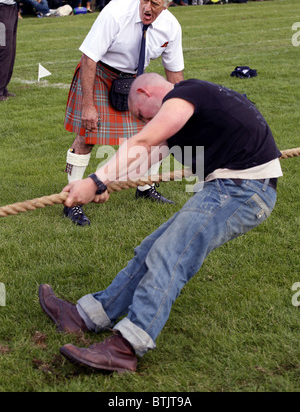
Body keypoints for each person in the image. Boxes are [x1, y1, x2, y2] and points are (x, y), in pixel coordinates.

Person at [39, 72, 282, 373]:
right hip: (230, 188)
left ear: (145, 91)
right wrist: (99, 185)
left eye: (140, 114)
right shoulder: (184, 118)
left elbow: (142, 140)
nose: (143, 122)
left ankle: (127, 347)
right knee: (150, 250)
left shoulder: (185, 93)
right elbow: (143, 158)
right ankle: (88, 316)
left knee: (171, 256)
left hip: (243, 189)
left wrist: (96, 179)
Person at [62, 0, 184, 226]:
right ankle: (72, 199)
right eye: (145, 0)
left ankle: (144, 186)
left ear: (167, 5)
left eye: (155, 3)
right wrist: (88, 105)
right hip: (100, 72)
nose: (147, 7)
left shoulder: (171, 27)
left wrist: (181, 109)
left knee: (155, 133)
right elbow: (89, 58)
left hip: (135, 80)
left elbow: (175, 74)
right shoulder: (116, 11)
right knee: (88, 134)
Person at [0, 0, 32, 101]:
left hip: (11, 8)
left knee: (10, 48)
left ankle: (3, 87)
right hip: (1, 11)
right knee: (3, 48)